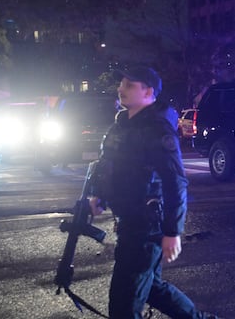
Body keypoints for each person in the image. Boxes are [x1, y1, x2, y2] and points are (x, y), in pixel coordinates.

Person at [89, 66, 218, 319]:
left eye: (129, 85)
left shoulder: (157, 130)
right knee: (151, 288)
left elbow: (175, 181)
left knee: (124, 303)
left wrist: (172, 232)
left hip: (146, 227)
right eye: (122, 84)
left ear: (148, 92)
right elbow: (108, 163)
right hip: (129, 222)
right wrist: (99, 194)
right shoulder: (122, 124)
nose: (121, 89)